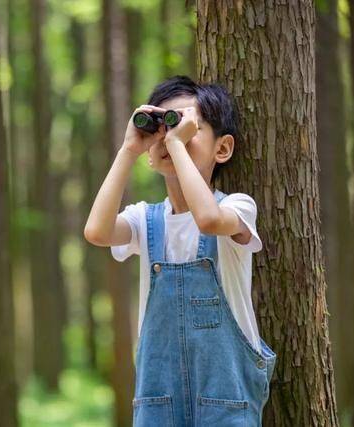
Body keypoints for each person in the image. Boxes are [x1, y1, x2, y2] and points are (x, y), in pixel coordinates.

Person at [83, 75, 276, 426]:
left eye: (188, 126)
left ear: (223, 148)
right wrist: (129, 149)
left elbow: (208, 220)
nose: (171, 136)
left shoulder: (237, 208)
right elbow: (96, 231)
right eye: (162, 125)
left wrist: (173, 143)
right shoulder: (145, 220)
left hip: (227, 402)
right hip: (158, 403)